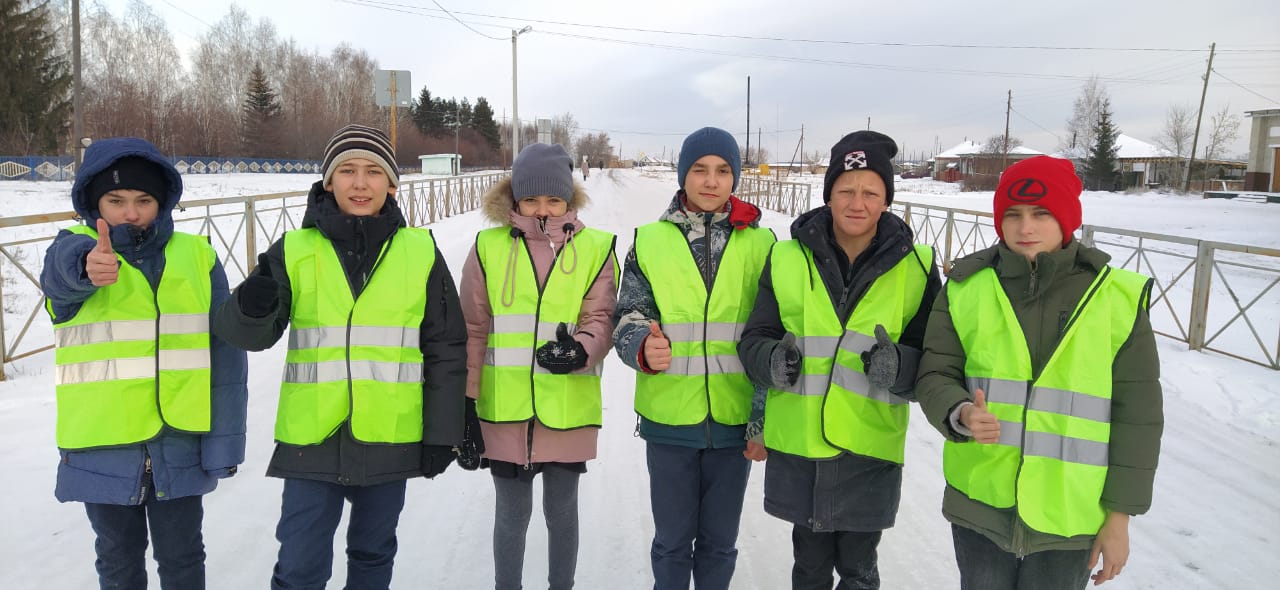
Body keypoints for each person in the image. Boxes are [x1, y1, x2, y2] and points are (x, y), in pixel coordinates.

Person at [212, 124, 467, 590]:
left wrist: (442, 433)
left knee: (372, 558)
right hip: (313, 437)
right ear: (328, 181)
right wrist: (251, 306)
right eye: (346, 170)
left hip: (390, 435)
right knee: (300, 566)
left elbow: (446, 346)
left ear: (392, 183)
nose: (360, 182)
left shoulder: (420, 251)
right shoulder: (294, 249)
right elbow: (244, 334)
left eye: (374, 171)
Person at [914, 155, 1163, 589]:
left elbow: (1138, 418)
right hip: (980, 506)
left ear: (1066, 219)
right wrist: (959, 412)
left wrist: (1119, 518)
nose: (1025, 228)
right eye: (1013, 215)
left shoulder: (1115, 298)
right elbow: (935, 371)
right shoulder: (965, 288)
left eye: (1041, 214)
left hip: (1070, 521)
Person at [40, 137, 248, 589]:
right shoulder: (72, 250)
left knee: (184, 559)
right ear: (93, 204)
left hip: (180, 444)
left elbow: (226, 357)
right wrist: (87, 268)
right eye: (115, 201)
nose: (130, 213)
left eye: (143, 200)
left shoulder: (198, 257)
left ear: (163, 203)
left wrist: (224, 444)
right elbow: (61, 276)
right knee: (118, 562)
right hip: (103, 446)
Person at [738, 130, 941, 589]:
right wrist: (770, 359)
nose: (857, 202)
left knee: (858, 570)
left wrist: (901, 368)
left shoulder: (918, 265)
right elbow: (755, 339)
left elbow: (936, 360)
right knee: (808, 567)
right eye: (846, 190)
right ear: (828, 194)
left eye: (871, 192)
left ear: (886, 200)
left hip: (869, 449)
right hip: (801, 447)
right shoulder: (787, 257)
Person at [613, 126, 776, 590]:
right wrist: (640, 345)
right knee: (670, 541)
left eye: (723, 170)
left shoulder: (763, 247)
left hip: (733, 420)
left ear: (735, 178)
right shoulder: (649, 241)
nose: (711, 181)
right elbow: (628, 313)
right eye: (700, 170)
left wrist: (761, 419)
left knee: (720, 542)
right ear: (683, 176)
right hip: (670, 422)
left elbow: (774, 335)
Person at [459, 142, 617, 590]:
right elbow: (473, 327)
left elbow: (601, 317)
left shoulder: (595, 248)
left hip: (567, 405)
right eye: (531, 199)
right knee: (511, 513)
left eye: (554, 199)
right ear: (515, 199)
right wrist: (467, 403)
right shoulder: (488, 248)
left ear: (569, 199)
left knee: (562, 511)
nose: (543, 209)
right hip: (503, 409)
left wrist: (582, 350)